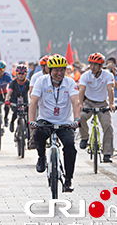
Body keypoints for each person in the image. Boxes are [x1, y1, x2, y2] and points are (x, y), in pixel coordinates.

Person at [29, 54, 80, 192]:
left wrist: (76, 119)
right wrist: (31, 121)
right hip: (45, 120)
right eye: (56, 70)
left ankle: (68, 180)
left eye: (62, 70)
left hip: (65, 122)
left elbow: (76, 102)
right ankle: (41, 157)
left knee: (70, 147)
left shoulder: (70, 82)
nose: (59, 73)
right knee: (38, 135)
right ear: (49, 70)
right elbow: (33, 102)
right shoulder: (41, 81)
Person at [78, 53, 116, 163]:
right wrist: (80, 104)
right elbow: (81, 90)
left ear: (101, 66)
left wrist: (111, 104)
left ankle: (107, 153)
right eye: (91, 64)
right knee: (81, 117)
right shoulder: (85, 75)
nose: (92, 67)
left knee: (107, 125)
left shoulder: (108, 75)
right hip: (88, 102)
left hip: (102, 103)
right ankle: (84, 137)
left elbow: (110, 90)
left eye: (95, 65)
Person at [5, 64, 30, 133]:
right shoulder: (13, 83)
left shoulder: (28, 83)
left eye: (23, 73)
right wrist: (7, 100)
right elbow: (9, 92)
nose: (21, 75)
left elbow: (32, 92)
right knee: (16, 111)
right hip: (14, 101)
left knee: (28, 116)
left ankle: (28, 132)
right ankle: (12, 122)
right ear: (16, 74)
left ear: (26, 74)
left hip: (25, 101)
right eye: (19, 73)